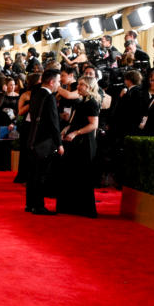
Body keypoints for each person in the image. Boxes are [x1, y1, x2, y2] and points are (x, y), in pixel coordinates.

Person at [57, 76, 100, 217]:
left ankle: (83, 208)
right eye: (79, 84)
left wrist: (76, 132)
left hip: (84, 143)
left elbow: (94, 124)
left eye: (82, 85)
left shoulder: (92, 103)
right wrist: (67, 128)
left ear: (89, 87)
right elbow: (75, 120)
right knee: (71, 172)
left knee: (82, 174)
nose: (79, 87)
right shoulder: (81, 101)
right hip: (75, 140)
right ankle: (70, 206)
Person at [25, 68, 63, 214]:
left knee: (32, 174)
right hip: (44, 142)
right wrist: (59, 143)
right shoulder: (49, 98)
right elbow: (54, 123)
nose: (58, 84)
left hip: (32, 139)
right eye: (58, 82)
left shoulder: (36, 94)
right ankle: (38, 206)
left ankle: (30, 204)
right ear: (52, 82)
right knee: (41, 175)